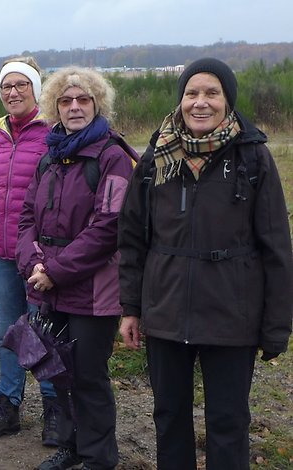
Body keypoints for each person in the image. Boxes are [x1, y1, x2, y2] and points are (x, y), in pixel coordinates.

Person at [118, 58, 293, 470]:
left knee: (229, 421)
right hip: (166, 310)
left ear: (227, 100)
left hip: (232, 314)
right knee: (169, 417)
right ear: (180, 100)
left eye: (212, 93)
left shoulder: (253, 159)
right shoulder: (155, 159)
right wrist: (131, 307)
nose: (201, 103)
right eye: (191, 93)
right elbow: (131, 238)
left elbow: (277, 248)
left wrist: (276, 325)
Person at [16, 67, 134, 470]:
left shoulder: (113, 157)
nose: (74, 107)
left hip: (93, 290)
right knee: (59, 371)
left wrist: (55, 271)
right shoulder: (51, 156)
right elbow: (27, 215)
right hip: (50, 284)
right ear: (55, 107)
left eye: (83, 100)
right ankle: (70, 445)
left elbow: (109, 226)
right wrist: (33, 262)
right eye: (65, 101)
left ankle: (99, 456)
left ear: (97, 103)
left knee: (88, 375)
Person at [0, 57, 62, 445]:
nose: (12, 92)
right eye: (6, 87)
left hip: (39, 256)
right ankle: (8, 403)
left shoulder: (52, 134)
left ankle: (55, 408)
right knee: (9, 332)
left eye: (20, 85)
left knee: (43, 332)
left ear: (36, 91)